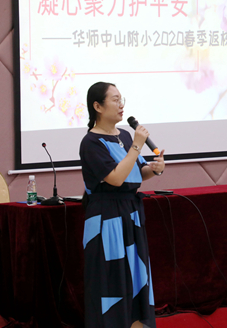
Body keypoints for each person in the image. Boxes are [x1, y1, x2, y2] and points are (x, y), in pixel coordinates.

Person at [80, 82, 164, 328]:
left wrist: (155, 169)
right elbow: (115, 178)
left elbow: (136, 173)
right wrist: (137, 146)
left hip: (131, 214)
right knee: (112, 280)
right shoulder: (91, 142)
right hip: (106, 219)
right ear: (98, 106)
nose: (121, 105)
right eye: (115, 100)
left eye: (121, 99)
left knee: (136, 277)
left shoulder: (125, 136)